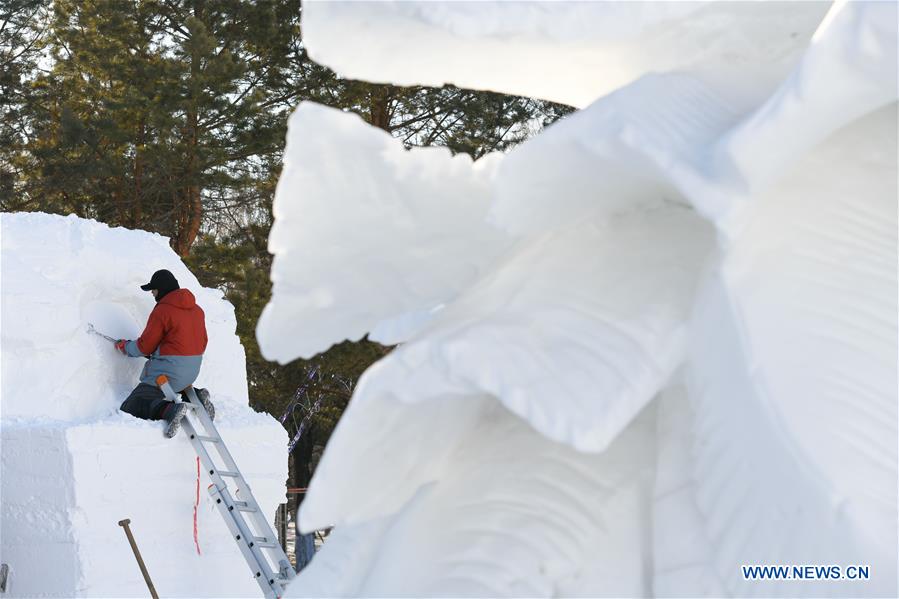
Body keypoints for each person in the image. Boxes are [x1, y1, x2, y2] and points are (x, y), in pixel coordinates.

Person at [116, 269, 215, 437]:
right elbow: (201, 342)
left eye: (153, 290)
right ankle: (196, 395)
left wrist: (125, 347)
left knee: (132, 404)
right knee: (174, 382)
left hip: (169, 373)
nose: (153, 294)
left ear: (161, 289)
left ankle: (169, 410)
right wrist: (162, 351)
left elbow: (144, 347)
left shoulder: (162, 310)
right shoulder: (198, 310)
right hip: (191, 372)